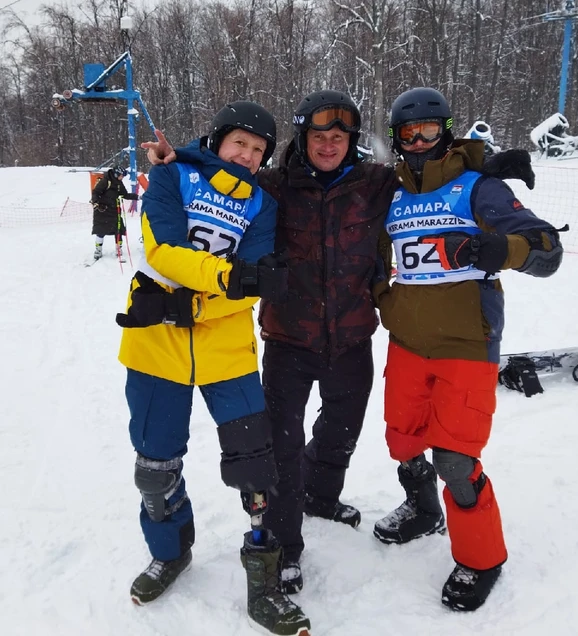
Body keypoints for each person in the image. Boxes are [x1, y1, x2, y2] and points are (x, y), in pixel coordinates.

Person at [144, 90, 400, 596]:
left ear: (352, 142)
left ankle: (322, 496)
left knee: (339, 433)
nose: (329, 145)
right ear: (302, 140)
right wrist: (177, 161)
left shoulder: (374, 184)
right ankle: (284, 546)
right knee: (280, 445)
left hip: (352, 335)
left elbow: (426, 175)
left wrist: (475, 165)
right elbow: (219, 172)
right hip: (290, 337)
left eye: (340, 137)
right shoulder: (273, 187)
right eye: (319, 136)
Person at [117, 102, 310, 636]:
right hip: (155, 347)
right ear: (218, 140)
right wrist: (228, 277)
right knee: (153, 472)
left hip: (226, 350)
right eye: (238, 144)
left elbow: (257, 283)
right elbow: (164, 250)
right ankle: (171, 552)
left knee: (256, 472)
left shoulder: (262, 207)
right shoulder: (171, 175)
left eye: (257, 150)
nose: (247, 156)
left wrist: (196, 301)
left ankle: (263, 585)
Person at [372, 87, 563, 612]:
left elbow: (548, 249)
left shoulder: (478, 190)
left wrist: (504, 248)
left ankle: (482, 558)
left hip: (465, 343)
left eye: (429, 131)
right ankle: (421, 510)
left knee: (456, 459)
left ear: (446, 132)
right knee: (403, 440)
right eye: (407, 135)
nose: (417, 142)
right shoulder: (390, 191)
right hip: (407, 342)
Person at [90, 167, 137, 262]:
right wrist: (97, 203)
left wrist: (138, 197)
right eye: (121, 176)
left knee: (118, 230)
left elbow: (125, 194)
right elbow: (96, 192)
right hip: (102, 210)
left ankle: (118, 248)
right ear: (116, 175)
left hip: (114, 210)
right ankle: (98, 250)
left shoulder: (119, 183)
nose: (122, 178)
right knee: (101, 231)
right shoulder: (105, 181)